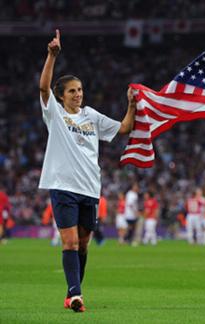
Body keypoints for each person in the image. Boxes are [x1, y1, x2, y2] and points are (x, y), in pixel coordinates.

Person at [38, 30, 136, 312]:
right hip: (63, 185)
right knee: (69, 242)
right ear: (62, 96)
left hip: (90, 188)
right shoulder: (55, 114)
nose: (78, 94)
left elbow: (124, 128)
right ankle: (75, 294)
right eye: (72, 91)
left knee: (82, 245)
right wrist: (52, 55)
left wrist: (130, 105)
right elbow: (43, 89)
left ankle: (73, 292)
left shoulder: (91, 115)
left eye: (80, 90)